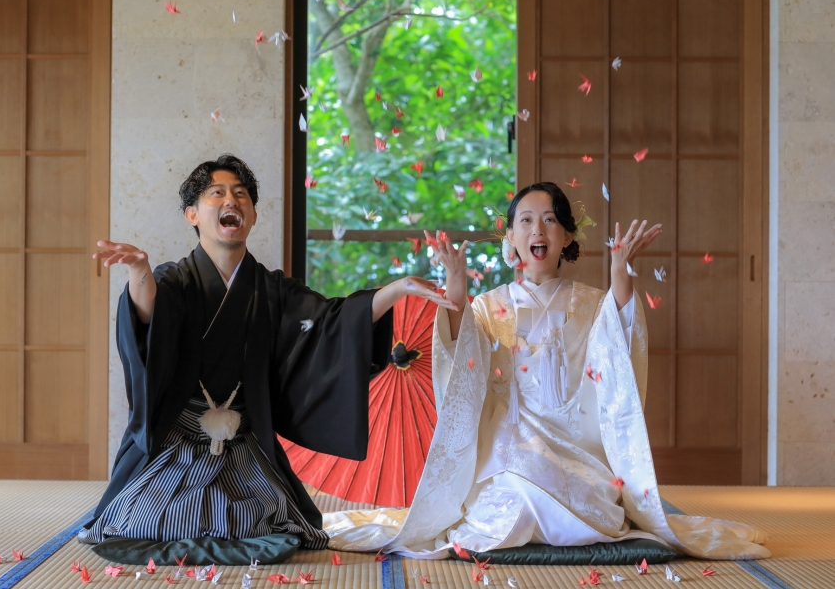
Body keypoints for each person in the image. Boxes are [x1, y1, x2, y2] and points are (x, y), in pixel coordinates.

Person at [324, 182, 770, 560]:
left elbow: (618, 351)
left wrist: (621, 274)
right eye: (526, 220)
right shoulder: (489, 306)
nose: (537, 229)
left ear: (567, 236)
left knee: (598, 508)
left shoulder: (592, 304)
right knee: (512, 503)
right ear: (511, 238)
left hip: (576, 450)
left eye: (550, 220)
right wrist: (456, 290)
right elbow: (462, 366)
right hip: (507, 450)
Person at [80, 154, 456, 548]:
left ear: (254, 215)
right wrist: (139, 271)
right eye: (217, 193)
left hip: (243, 444)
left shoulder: (273, 290)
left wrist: (396, 289)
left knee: (255, 521)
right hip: (178, 442)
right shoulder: (175, 281)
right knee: (149, 519)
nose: (232, 200)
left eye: (241, 194)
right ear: (192, 214)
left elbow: (333, 321)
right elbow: (147, 319)